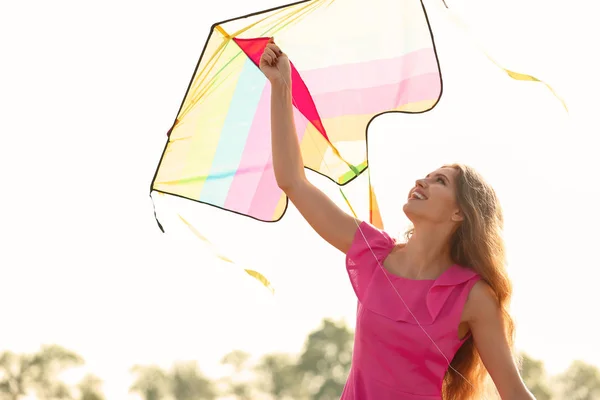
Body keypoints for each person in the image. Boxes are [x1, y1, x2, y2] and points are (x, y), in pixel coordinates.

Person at [259, 39, 535, 400]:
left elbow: (513, 391)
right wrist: (281, 87)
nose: (421, 181)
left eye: (440, 181)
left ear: (459, 213)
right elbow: (292, 181)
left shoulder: (473, 297)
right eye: (426, 175)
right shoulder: (373, 253)